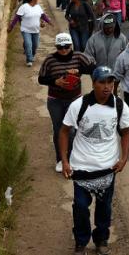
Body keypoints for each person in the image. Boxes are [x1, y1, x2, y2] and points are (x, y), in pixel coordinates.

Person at [59, 66, 129, 255]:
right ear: (93, 83)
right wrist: (65, 161)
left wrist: (124, 158)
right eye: (102, 82)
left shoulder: (119, 106)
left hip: (107, 169)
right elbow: (64, 131)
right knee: (81, 208)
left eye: (110, 82)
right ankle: (81, 241)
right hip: (81, 167)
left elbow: (126, 132)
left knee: (104, 209)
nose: (107, 86)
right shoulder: (79, 105)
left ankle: (101, 240)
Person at [39, 33, 96, 173]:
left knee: (73, 129)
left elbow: (94, 67)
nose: (63, 50)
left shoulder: (78, 56)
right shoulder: (49, 60)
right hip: (55, 100)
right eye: (60, 47)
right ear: (56, 46)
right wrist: (55, 81)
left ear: (71, 45)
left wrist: (79, 70)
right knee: (59, 129)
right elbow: (41, 79)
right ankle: (60, 158)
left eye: (66, 46)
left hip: (74, 99)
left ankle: (73, 157)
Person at [8, 0, 53, 67]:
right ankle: (29, 60)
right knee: (28, 44)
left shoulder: (38, 7)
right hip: (26, 30)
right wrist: (11, 27)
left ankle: (32, 55)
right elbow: (17, 18)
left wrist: (49, 22)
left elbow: (43, 15)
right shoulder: (24, 7)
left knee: (35, 45)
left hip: (36, 30)